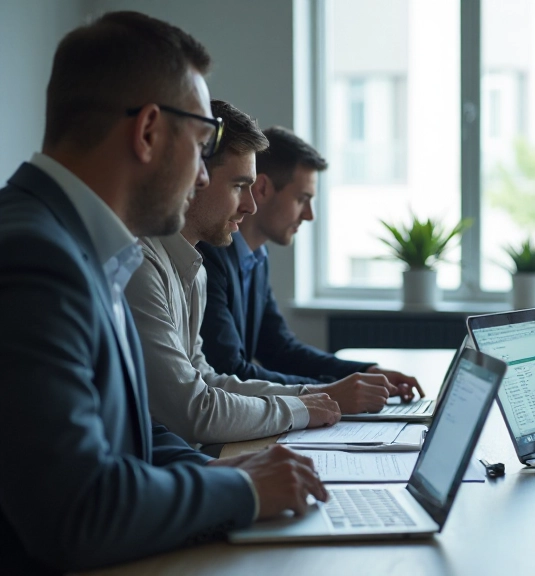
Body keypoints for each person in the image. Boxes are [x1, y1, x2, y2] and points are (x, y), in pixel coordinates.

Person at [0, 13, 327, 572]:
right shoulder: (35, 258)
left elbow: (133, 431)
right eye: (201, 144)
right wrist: (244, 492)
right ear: (148, 131)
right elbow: (77, 510)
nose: (202, 176)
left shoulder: (85, 245)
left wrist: (222, 472)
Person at [125, 100, 407, 446]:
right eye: (238, 186)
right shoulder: (144, 264)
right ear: (194, 175)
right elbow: (195, 409)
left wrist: (316, 396)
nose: (251, 205)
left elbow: (210, 377)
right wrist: (305, 407)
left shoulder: (193, 267)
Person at [197, 126, 422, 399]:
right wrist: (331, 391)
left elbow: (280, 349)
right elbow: (229, 371)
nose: (309, 215)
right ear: (263, 188)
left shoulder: (256, 258)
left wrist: (365, 372)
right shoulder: (208, 258)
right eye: (302, 199)